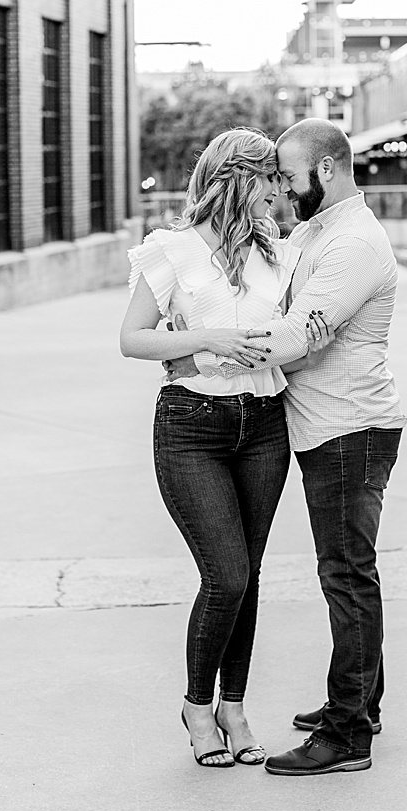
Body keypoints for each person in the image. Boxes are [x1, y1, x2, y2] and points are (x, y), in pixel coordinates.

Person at [119, 128, 329, 768]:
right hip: (192, 427)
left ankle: (234, 709)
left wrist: (305, 336)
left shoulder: (279, 252)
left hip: (262, 424)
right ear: (242, 180)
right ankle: (196, 704)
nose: (280, 196)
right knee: (226, 575)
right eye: (272, 183)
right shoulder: (172, 251)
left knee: (250, 576)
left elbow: (294, 330)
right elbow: (132, 339)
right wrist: (207, 336)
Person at [257, 118, 407, 776]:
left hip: (350, 429)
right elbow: (285, 314)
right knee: (347, 575)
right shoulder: (316, 232)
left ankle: (348, 733)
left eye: (290, 178)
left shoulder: (353, 245)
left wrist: (211, 346)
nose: (284, 192)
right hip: (331, 427)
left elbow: (295, 337)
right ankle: (358, 704)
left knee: (346, 579)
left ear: (325, 170)